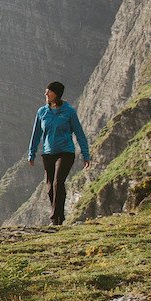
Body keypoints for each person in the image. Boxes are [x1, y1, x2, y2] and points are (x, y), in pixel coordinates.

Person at [25, 81, 90, 224]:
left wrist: (86, 155)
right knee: (49, 187)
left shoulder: (69, 112)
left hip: (66, 152)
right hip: (48, 152)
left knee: (58, 182)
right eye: (46, 91)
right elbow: (36, 134)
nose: (46, 94)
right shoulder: (42, 112)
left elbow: (79, 134)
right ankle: (60, 216)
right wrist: (32, 153)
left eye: (49, 91)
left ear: (57, 94)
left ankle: (55, 219)